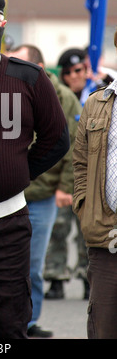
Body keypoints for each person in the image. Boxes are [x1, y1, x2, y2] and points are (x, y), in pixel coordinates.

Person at [0, 0, 70, 339]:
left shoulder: (29, 77)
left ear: (4, 26)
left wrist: (20, 171)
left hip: (7, 223)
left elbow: (56, 139)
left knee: (9, 325)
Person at [9, 44, 82, 338]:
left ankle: (28, 321)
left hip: (41, 196)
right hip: (6, 194)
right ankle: (6, 323)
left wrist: (64, 188)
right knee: (3, 265)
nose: (11, 67)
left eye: (19, 62)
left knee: (33, 264)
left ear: (38, 66)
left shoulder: (61, 97)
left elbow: (73, 145)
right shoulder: (3, 90)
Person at [73, 30, 117, 339]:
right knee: (104, 326)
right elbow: (80, 164)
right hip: (105, 237)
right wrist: (85, 206)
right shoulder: (97, 103)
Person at [43, 47, 90, 300]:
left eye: (79, 70)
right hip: (62, 173)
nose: (74, 76)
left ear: (86, 70)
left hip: (90, 178)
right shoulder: (55, 98)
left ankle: (87, 279)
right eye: (68, 72)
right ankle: (56, 277)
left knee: (87, 231)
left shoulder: (99, 94)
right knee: (58, 229)